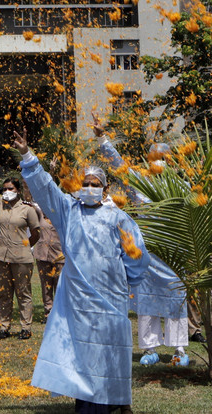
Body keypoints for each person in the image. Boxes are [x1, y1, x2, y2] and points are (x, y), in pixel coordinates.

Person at [13, 129, 149, 413]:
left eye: (95, 183)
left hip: (111, 299)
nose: (89, 187)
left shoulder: (119, 218)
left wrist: (130, 283)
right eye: (85, 183)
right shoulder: (68, 211)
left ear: (105, 189)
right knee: (83, 352)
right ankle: (88, 403)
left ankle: (119, 402)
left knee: (113, 351)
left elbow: (136, 255)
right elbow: (46, 188)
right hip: (78, 300)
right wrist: (27, 155)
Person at [93, 115, 190, 366]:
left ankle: (179, 350)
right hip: (148, 256)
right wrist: (102, 138)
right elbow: (118, 164)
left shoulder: (183, 186)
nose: (159, 163)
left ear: (170, 161)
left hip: (174, 258)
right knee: (146, 301)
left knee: (176, 301)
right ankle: (149, 349)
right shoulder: (139, 185)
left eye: (163, 159)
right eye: (154, 159)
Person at [0, 152, 40, 340]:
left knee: (23, 293)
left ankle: (25, 327)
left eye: (10, 188)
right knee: (4, 293)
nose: (6, 191)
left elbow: (36, 232)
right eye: (4, 188)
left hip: (21, 258)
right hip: (0, 256)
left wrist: (26, 246)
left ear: (18, 190)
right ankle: (4, 327)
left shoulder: (27, 209)